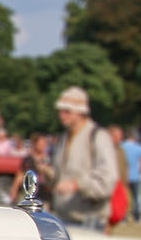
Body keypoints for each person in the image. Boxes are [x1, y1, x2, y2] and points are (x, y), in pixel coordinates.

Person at [41, 86, 117, 231]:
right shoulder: (63, 137)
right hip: (62, 217)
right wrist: (49, 173)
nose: (62, 115)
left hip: (89, 220)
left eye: (67, 111)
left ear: (81, 112)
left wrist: (78, 185)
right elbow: (62, 175)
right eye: (60, 111)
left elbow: (108, 179)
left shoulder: (98, 136)